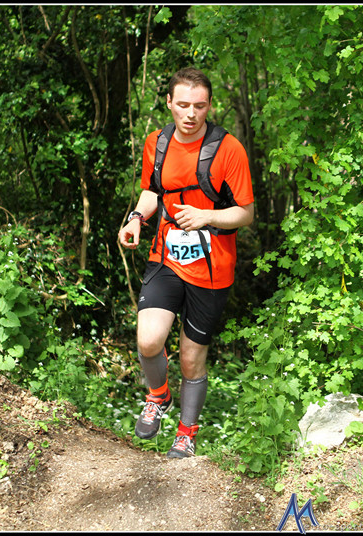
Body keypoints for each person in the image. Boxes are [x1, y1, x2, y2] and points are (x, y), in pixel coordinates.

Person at [118, 67, 254, 458]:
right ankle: (158, 396)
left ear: (209, 105)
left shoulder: (228, 149)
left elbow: (245, 213)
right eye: (182, 105)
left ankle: (186, 433)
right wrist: (136, 218)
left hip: (212, 268)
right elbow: (152, 191)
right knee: (148, 340)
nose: (191, 114)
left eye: (199, 106)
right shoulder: (157, 143)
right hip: (165, 257)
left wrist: (207, 216)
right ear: (169, 103)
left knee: (192, 359)